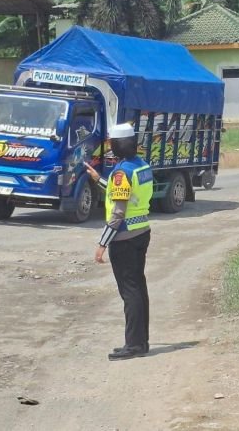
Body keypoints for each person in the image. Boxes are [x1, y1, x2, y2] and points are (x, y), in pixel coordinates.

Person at [85, 123, 154, 361]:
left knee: (130, 291)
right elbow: (126, 194)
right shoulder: (142, 166)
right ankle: (141, 342)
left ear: (115, 146)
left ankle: (133, 345)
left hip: (124, 237)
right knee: (138, 287)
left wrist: (102, 243)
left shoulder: (121, 172)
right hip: (141, 232)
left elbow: (118, 212)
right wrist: (99, 179)